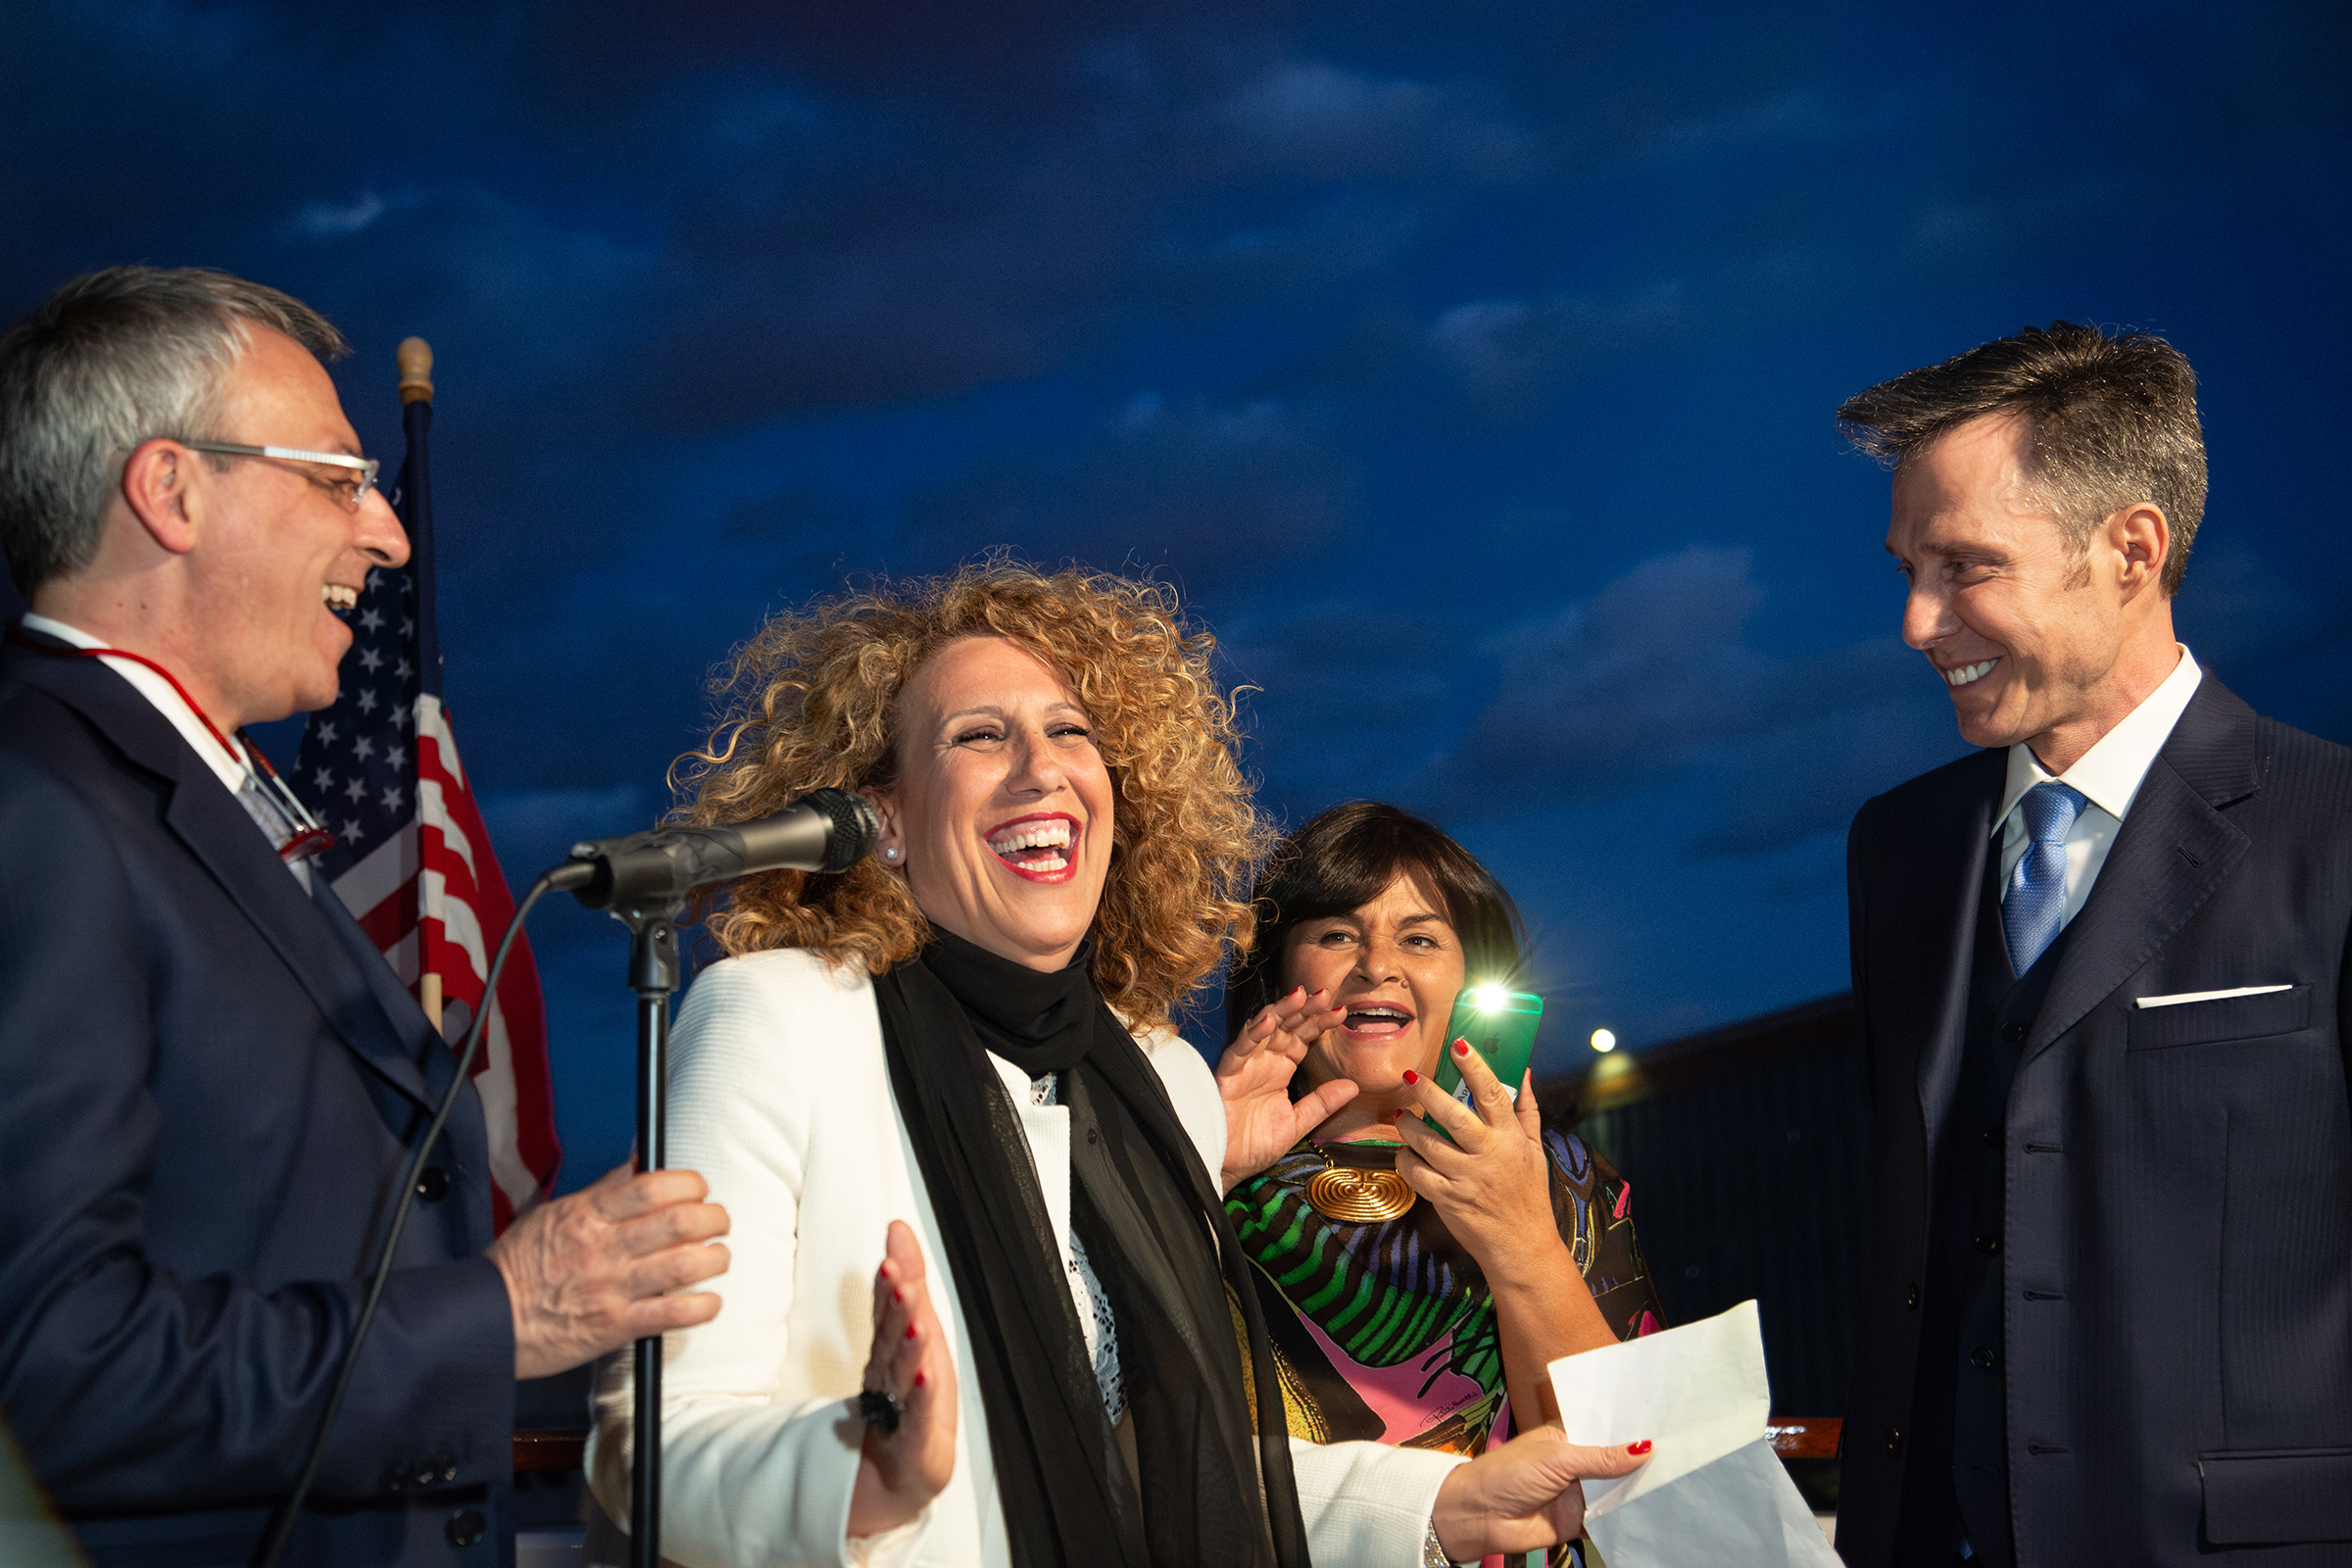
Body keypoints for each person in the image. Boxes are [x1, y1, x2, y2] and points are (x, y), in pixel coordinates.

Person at [585, 564, 1649, 1567]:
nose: (1041, 766)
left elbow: (1168, 1473)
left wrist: (1432, 1506)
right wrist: (862, 1464)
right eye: (980, 735)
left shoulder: (1157, 1078)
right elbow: (644, 1450)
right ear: (888, 819)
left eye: (1071, 732)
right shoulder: (776, 1016)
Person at [0, 267, 732, 1566]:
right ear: (169, 491)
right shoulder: (37, 803)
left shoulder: (196, 801)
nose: (388, 535)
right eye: (337, 481)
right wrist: (505, 1313)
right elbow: (55, 1367)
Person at [1833, 322, 2352, 1566]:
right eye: (1907, 567)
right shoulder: (1895, 851)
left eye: (1965, 566)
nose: (1916, 620)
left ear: (2131, 549)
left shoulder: (2332, 832)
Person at [1218, 804, 1662, 1468]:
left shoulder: (1561, 1174)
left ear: (1469, 982)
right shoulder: (1199, 1159)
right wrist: (1204, 1163)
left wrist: (1522, 1240)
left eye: (1419, 940)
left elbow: (1629, 1457)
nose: (1377, 965)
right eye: (1338, 935)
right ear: (1278, 975)